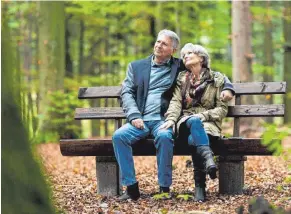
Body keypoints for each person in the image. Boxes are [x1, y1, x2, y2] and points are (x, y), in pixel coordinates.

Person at [112, 30, 234, 201]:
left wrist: (229, 87)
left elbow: (208, 72)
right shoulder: (136, 67)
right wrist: (134, 115)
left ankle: (164, 189)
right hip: (140, 119)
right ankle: (131, 188)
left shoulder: (179, 66)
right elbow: (126, 93)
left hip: (164, 120)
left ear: (173, 50)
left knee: (164, 137)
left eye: (164, 44)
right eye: (158, 41)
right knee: (119, 136)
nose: (158, 45)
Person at [160, 43, 229, 202]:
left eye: (190, 53)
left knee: (194, 139)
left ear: (201, 58)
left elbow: (222, 109)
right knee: (192, 122)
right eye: (184, 55)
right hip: (184, 122)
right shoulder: (181, 79)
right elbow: (176, 102)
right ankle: (209, 158)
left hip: (208, 124)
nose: (186, 57)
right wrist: (171, 119)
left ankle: (200, 189)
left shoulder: (216, 79)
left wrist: (203, 116)